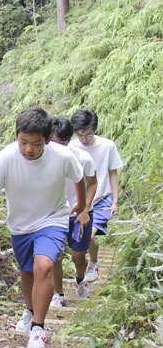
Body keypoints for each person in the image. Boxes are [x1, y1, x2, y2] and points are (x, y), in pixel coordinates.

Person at [0, 106, 86, 348]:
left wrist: (82, 205)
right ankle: (29, 311)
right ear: (16, 135)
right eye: (23, 142)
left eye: (36, 144)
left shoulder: (63, 156)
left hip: (53, 218)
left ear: (48, 140)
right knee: (27, 273)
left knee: (44, 265)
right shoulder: (5, 158)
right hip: (21, 225)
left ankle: (38, 327)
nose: (28, 149)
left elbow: (79, 178)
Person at [49, 117, 97, 306]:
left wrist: (85, 209)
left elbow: (93, 183)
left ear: (68, 141)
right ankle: (59, 295)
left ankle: (80, 278)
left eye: (59, 144)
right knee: (56, 257)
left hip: (80, 214)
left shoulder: (82, 158)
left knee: (78, 257)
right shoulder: (41, 157)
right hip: (55, 215)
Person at [70, 108, 123, 282]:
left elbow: (113, 173)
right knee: (84, 237)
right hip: (80, 199)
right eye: (80, 135)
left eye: (89, 135)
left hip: (102, 198)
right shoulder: (71, 147)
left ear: (95, 130)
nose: (84, 140)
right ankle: (93, 261)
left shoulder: (107, 146)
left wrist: (115, 201)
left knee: (89, 234)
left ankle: (92, 263)